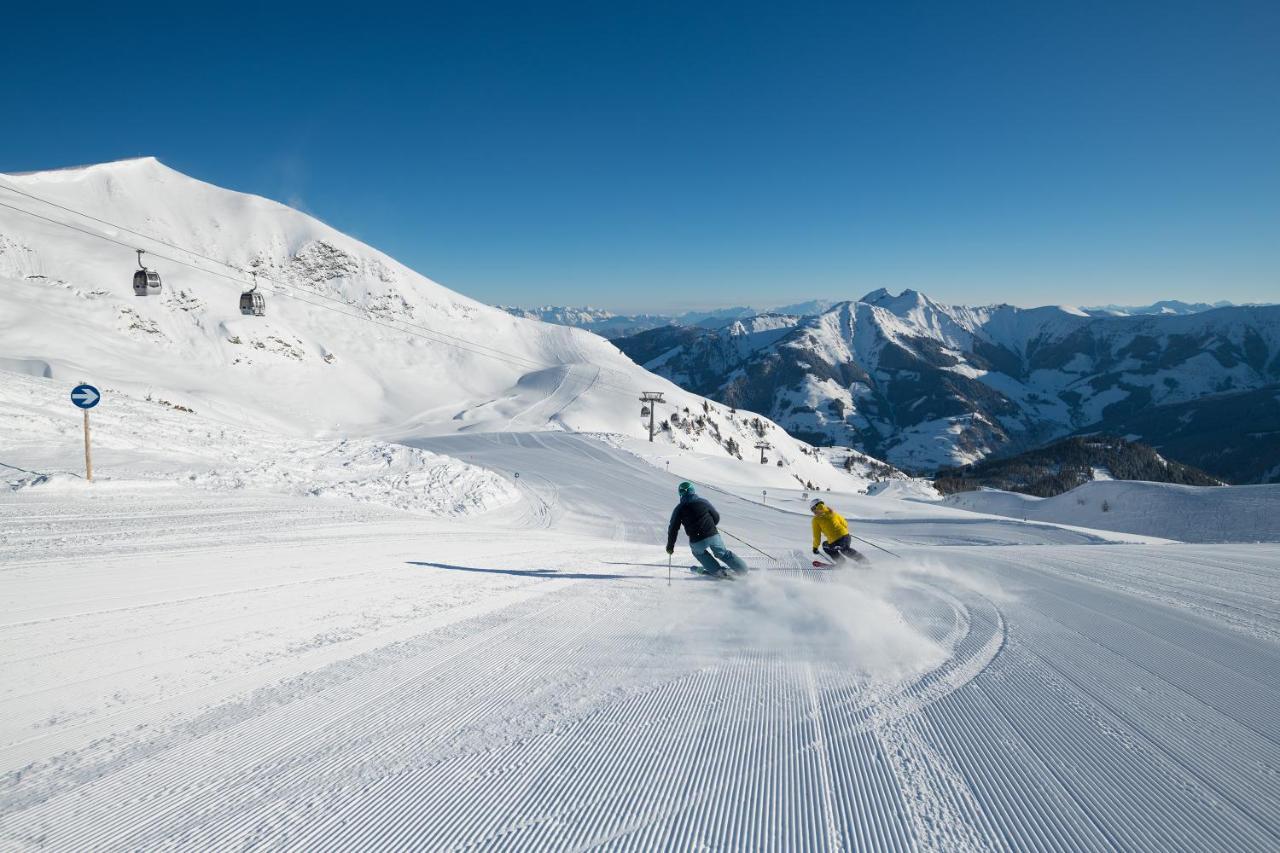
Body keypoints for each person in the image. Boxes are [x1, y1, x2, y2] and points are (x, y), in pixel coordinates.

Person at [666, 481, 749, 576]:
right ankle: (742, 569)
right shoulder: (703, 502)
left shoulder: (679, 509)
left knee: (699, 553)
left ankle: (718, 571)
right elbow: (716, 517)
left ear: (680, 494)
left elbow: (673, 529)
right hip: (712, 534)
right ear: (693, 491)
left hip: (697, 540)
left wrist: (670, 547)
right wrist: (711, 525)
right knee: (722, 553)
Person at [810, 498, 867, 563]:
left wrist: (815, 547)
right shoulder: (833, 512)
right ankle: (864, 561)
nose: (813, 512)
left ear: (815, 507)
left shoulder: (816, 520)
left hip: (834, 541)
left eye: (812, 509)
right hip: (846, 537)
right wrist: (843, 532)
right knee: (845, 550)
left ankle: (841, 563)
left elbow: (817, 536)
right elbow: (845, 523)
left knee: (825, 546)